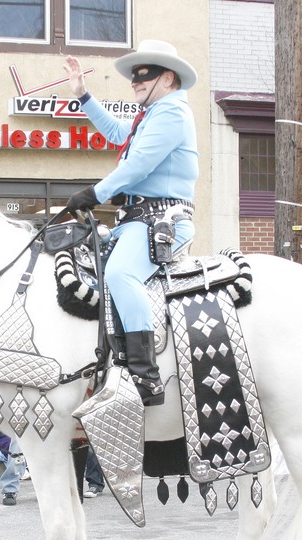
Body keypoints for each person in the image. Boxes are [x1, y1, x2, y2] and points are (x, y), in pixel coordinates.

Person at [63, 40, 199, 405]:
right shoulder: (150, 116)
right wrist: (83, 95)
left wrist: (94, 193)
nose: (136, 82)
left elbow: (137, 165)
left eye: (146, 76)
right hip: (137, 220)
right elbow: (117, 135)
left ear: (167, 78)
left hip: (162, 219)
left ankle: (145, 375)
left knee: (121, 274)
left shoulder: (172, 113)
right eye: (135, 78)